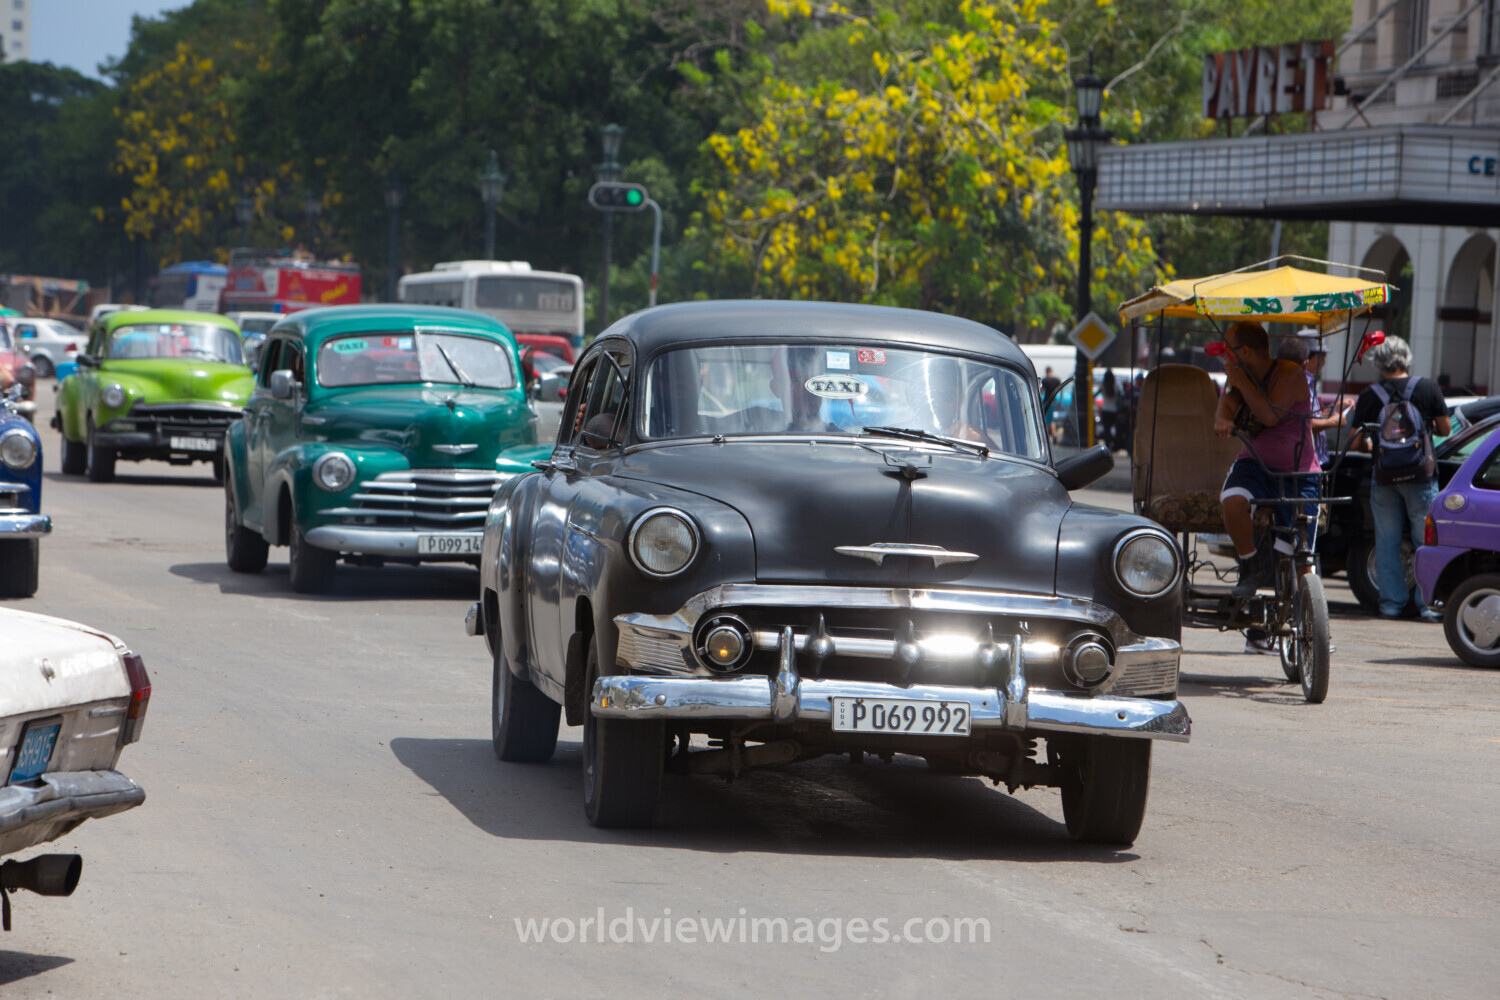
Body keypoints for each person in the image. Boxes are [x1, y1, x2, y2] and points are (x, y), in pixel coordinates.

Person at [1213, 323, 1321, 630]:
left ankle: (1313, 626)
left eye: (1229, 350)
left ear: (1245, 352)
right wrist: (1222, 418)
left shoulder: (1290, 374)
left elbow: (1270, 415)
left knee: (1299, 555)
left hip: (1297, 472)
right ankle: (1250, 564)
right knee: (1232, 500)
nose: (1226, 357)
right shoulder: (1239, 377)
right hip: (1254, 463)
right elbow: (1229, 403)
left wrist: (1242, 381)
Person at [1346, 335, 1450, 620]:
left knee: (1387, 541)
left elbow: (1355, 443)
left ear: (1378, 363)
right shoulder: (1428, 388)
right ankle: (1427, 604)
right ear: (1407, 358)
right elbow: (1446, 429)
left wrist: (1377, 446)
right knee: (1426, 541)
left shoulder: (1370, 395)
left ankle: (1391, 604)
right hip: (1421, 476)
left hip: (1385, 477)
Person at [1100, 369, 1120, 451]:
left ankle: (1107, 444)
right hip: (1114, 410)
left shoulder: (1103, 386)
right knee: (1115, 429)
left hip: (1105, 409)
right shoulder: (1115, 386)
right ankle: (1114, 445)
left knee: (1106, 429)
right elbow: (1118, 396)